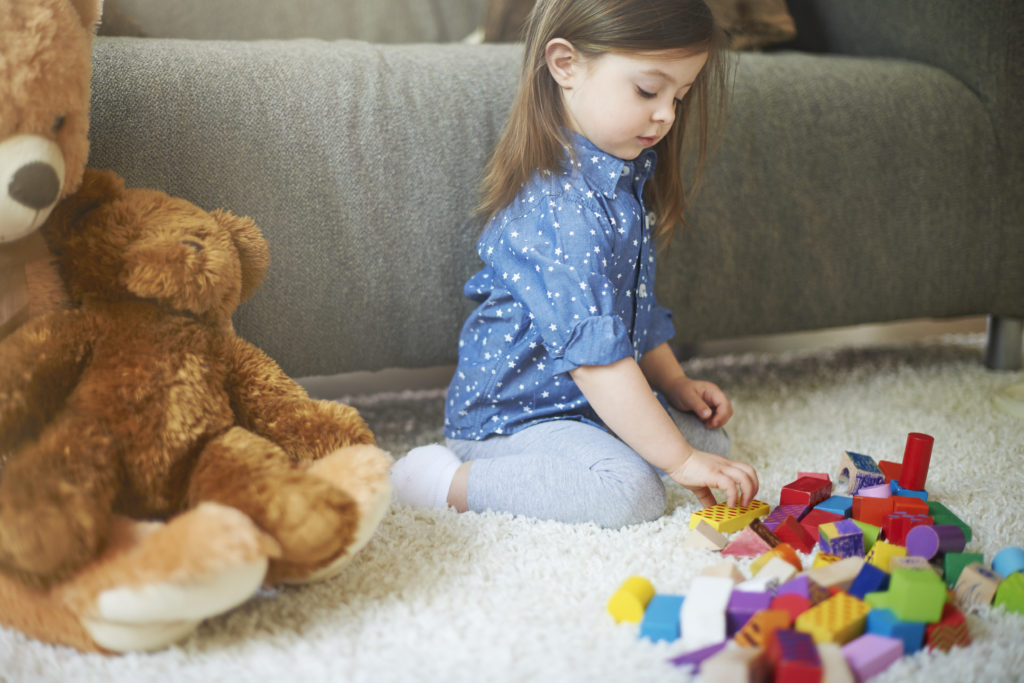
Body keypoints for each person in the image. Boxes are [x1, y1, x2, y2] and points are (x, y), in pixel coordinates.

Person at [390, 0, 759, 528]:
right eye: (648, 91)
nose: (667, 115)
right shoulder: (558, 209)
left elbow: (633, 311)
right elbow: (596, 359)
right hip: (513, 419)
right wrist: (677, 461)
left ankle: (624, 441)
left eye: (680, 96)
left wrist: (675, 384)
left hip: (586, 402)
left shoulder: (619, 180)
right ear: (566, 65)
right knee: (631, 494)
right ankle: (438, 482)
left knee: (707, 436)